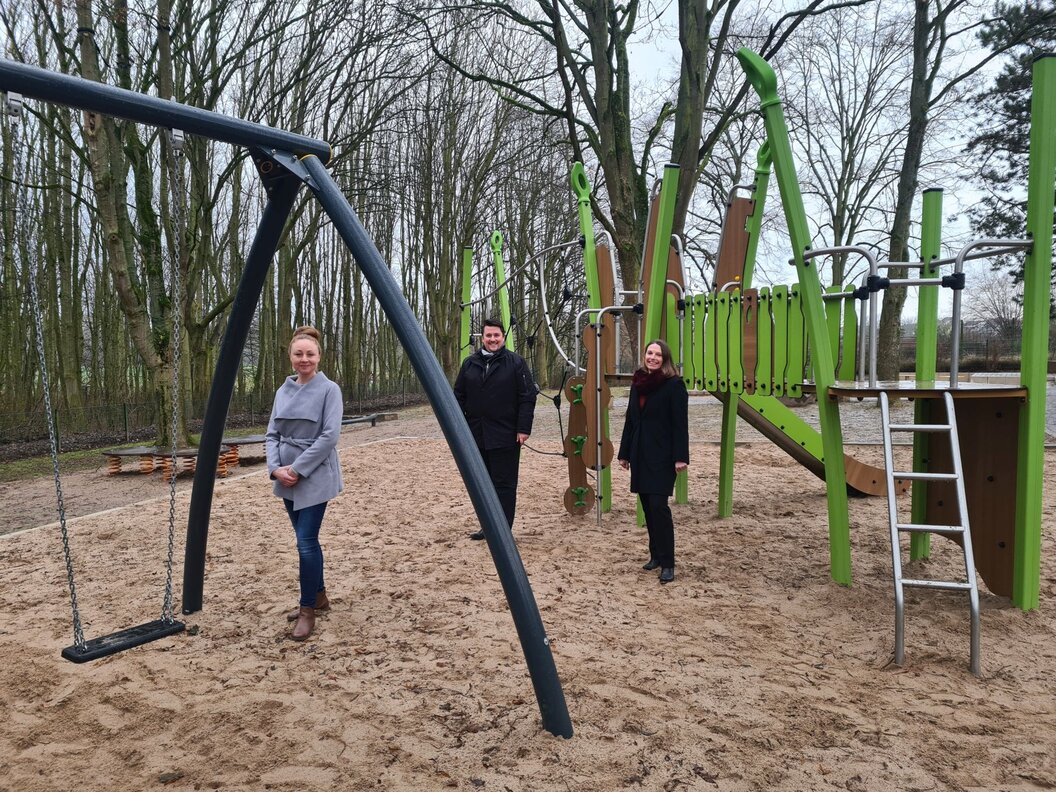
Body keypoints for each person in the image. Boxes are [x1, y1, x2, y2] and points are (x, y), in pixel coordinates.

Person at [266, 325, 344, 641]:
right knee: (304, 539)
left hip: (314, 473)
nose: (304, 359)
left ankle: (307, 608)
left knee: (305, 541)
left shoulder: (329, 390)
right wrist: (275, 469)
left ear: (319, 356)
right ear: (290, 357)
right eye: (298, 354)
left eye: (310, 354)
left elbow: (330, 436)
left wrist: (297, 468)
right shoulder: (282, 391)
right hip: (285, 475)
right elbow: (272, 433)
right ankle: (320, 595)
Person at [454, 318, 536, 540]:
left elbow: (527, 397)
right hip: (476, 434)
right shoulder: (470, 364)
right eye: (488, 336)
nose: (492, 339)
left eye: (496, 335)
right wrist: (460, 429)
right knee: (482, 483)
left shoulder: (516, 363)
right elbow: (458, 397)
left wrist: (523, 428)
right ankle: (487, 526)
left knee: (504, 484)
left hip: (505, 435)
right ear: (483, 338)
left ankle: (503, 530)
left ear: (503, 337)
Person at [617, 339, 689, 584]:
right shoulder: (638, 382)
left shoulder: (674, 386)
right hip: (640, 453)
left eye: (658, 355)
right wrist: (624, 453)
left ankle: (668, 563)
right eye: (650, 353)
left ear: (665, 359)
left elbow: (680, 424)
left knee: (659, 507)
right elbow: (631, 420)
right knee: (647, 506)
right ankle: (656, 555)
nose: (653, 358)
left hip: (662, 455)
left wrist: (681, 457)